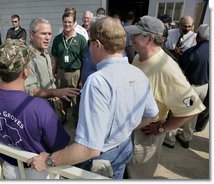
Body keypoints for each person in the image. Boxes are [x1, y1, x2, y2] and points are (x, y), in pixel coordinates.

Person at [27, 16, 159, 179]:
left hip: (101, 159)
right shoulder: (137, 73)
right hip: (124, 147)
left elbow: (89, 149)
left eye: (89, 43)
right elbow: (152, 114)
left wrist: (48, 161)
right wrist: (124, 128)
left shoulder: (98, 81)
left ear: (97, 44)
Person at [0, 39, 70, 179]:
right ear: (25, 72)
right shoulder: (40, 107)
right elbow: (61, 147)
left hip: (9, 169)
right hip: (38, 172)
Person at [125, 15, 205, 179]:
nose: (131, 38)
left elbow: (192, 108)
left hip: (146, 135)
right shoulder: (138, 56)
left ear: (149, 39)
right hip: (130, 128)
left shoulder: (167, 69)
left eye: (136, 34)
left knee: (137, 176)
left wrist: (162, 128)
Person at [24, 18, 80, 123]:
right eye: (43, 34)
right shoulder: (28, 57)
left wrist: (56, 97)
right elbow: (30, 90)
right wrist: (56, 92)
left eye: (49, 34)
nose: (47, 38)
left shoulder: (45, 53)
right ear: (32, 35)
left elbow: (50, 79)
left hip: (49, 104)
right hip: (37, 109)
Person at [175, 24, 209, 148]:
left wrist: (180, 56)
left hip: (191, 88)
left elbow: (180, 72)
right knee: (194, 112)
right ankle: (186, 137)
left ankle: (171, 138)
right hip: (204, 86)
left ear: (198, 35)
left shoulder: (192, 52)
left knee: (179, 111)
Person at [52, 11, 87, 125]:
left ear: (74, 23)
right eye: (65, 22)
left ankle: (77, 121)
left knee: (75, 100)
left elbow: (84, 61)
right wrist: (53, 74)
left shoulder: (81, 40)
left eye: (69, 22)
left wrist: (82, 79)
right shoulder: (57, 39)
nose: (67, 24)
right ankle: (63, 116)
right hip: (61, 73)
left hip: (75, 74)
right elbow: (55, 59)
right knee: (62, 97)